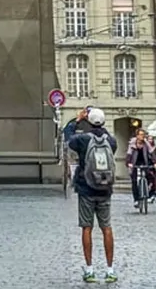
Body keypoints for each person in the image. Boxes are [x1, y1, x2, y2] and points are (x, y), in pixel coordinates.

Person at [63, 107, 118, 283]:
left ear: (89, 121)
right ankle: (110, 270)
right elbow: (109, 146)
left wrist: (78, 120)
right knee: (106, 228)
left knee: (87, 228)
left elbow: (67, 137)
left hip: (86, 188)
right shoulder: (111, 141)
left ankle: (89, 270)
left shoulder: (83, 140)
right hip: (105, 189)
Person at [126, 129, 156, 208]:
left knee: (151, 178)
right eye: (140, 134)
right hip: (134, 164)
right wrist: (128, 163)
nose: (142, 136)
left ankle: (149, 193)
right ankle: (136, 200)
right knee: (134, 181)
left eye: (143, 135)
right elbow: (129, 155)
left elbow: (152, 153)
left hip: (144, 163)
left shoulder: (146, 144)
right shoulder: (132, 144)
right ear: (137, 136)